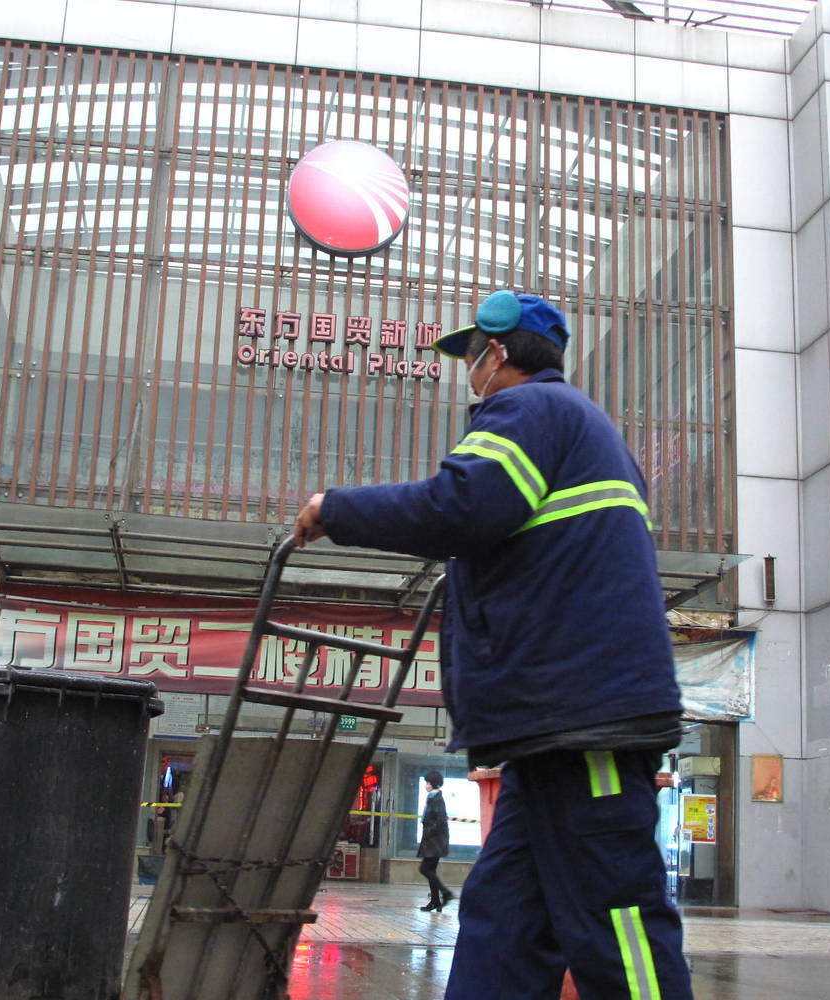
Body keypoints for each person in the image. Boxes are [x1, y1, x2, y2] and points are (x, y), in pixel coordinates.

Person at [293, 290, 693, 1000]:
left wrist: (337, 508)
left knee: (617, 919)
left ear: (499, 354)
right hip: (555, 727)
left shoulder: (529, 411)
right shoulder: (580, 428)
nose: (468, 372)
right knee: (503, 926)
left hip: (582, 721)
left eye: (472, 356)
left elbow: (462, 506)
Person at [418, 771, 454, 912]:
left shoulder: (437, 798)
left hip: (434, 841)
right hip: (432, 840)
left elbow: (439, 821)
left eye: (427, 783)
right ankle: (435, 901)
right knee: (430, 869)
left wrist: (429, 833)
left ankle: (445, 893)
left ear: (433, 783)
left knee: (425, 869)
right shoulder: (432, 797)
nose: (426, 785)